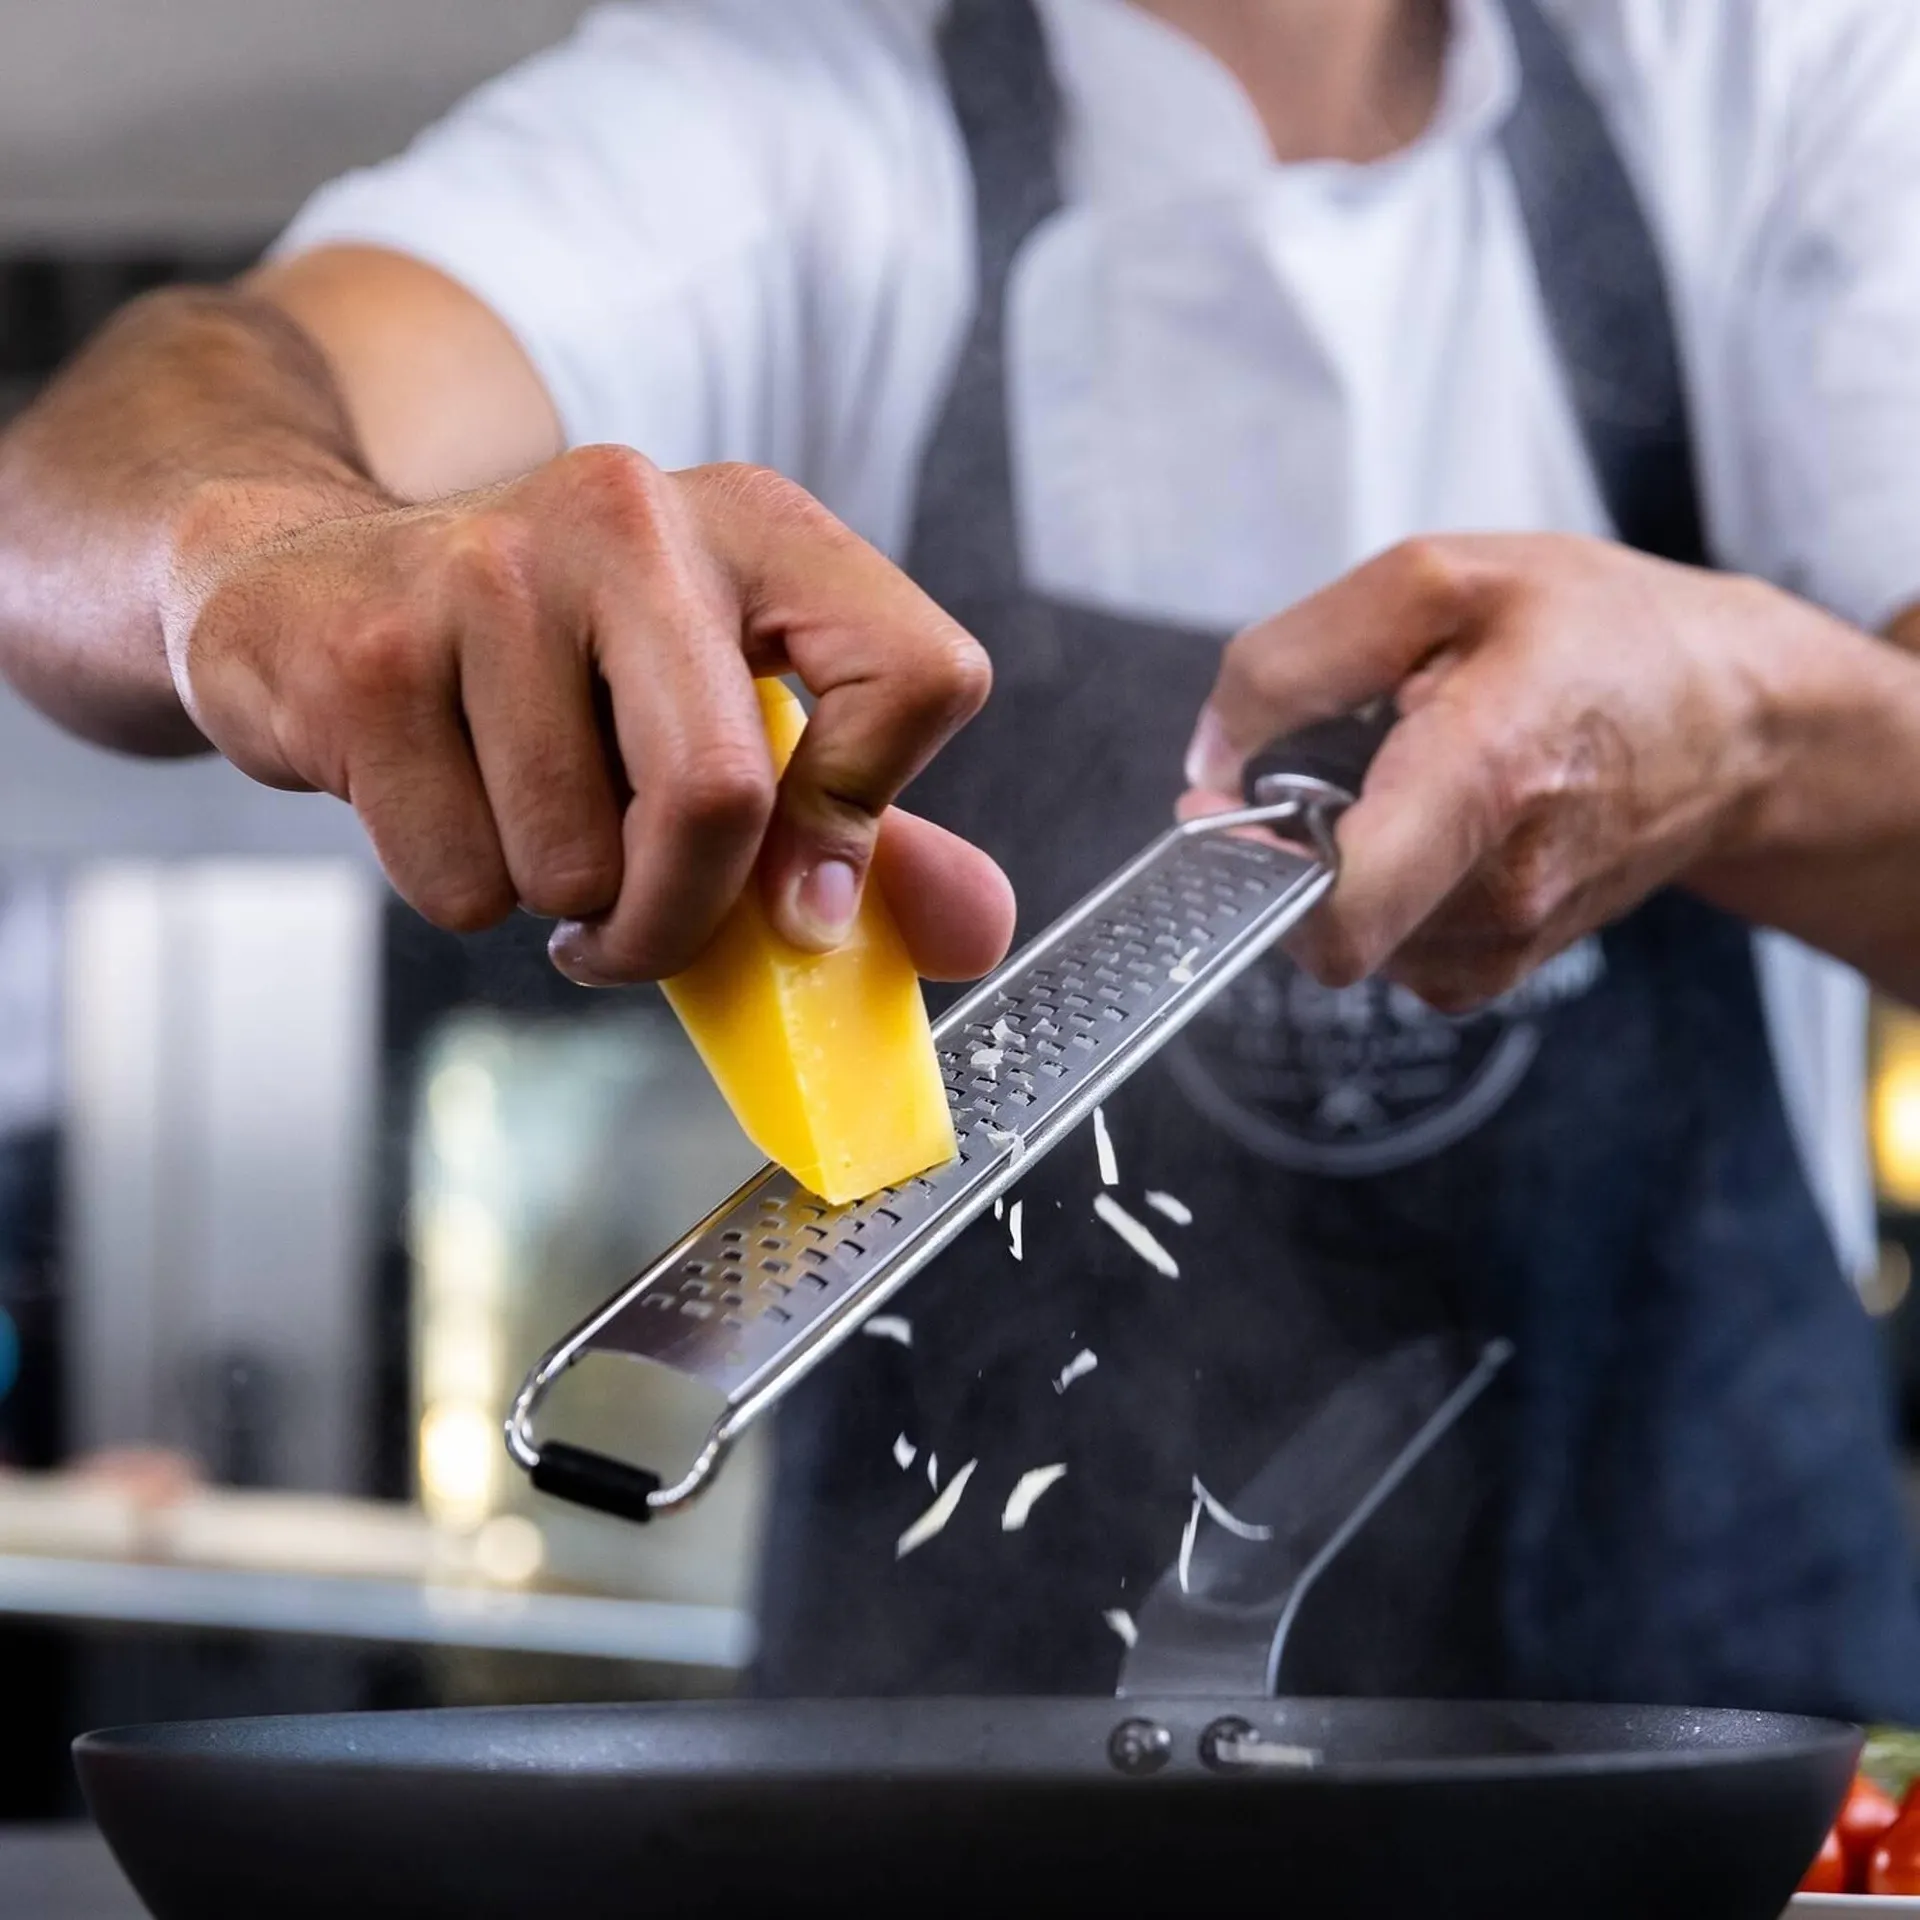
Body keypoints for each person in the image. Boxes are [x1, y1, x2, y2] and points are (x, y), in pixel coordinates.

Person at [5, 0, 1920, 1716]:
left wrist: (1753, 731)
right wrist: (258, 560)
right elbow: (120, 456)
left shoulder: (1782, 78)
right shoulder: (785, 119)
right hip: (945, 1803)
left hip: (1739, 1772)